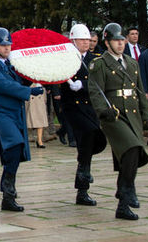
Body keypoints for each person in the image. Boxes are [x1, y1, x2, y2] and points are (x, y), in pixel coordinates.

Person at [87, 23, 148, 220]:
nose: (120, 44)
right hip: (113, 115)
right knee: (132, 147)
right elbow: (95, 90)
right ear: (107, 43)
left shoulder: (131, 63)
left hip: (132, 114)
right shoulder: (99, 64)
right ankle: (127, 188)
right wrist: (102, 111)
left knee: (132, 155)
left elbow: (139, 90)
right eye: (116, 40)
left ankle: (123, 203)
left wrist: (145, 114)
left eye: (122, 40)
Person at [0, 28, 43, 212]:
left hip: (16, 112)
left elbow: (18, 81)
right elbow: (5, 86)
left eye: (8, 44)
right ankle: (8, 188)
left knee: (16, 150)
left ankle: (8, 192)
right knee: (15, 143)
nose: (7, 48)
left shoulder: (10, 63)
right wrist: (29, 91)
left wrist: (33, 77)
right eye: (2, 45)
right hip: (2, 112)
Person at [54, 23, 107, 206]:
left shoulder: (94, 59)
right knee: (90, 134)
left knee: (87, 145)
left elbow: (99, 81)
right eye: (82, 39)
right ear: (73, 41)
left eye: (88, 39)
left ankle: (82, 188)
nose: (86, 42)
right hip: (73, 107)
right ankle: (83, 172)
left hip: (89, 106)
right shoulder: (66, 59)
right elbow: (57, 75)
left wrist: (83, 85)